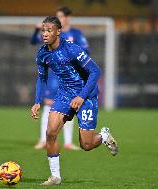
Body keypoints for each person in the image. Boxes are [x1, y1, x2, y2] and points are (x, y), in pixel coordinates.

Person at [30, 16, 118, 186]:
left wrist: (81, 96)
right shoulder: (42, 53)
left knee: (86, 144)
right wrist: (37, 101)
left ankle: (104, 135)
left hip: (86, 95)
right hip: (65, 94)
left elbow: (95, 71)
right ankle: (55, 176)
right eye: (43, 30)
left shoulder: (71, 49)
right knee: (50, 133)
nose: (45, 34)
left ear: (58, 31)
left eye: (49, 30)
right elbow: (41, 78)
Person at [31, 6, 90, 150]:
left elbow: (85, 51)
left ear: (68, 17)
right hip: (54, 76)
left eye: (61, 16)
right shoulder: (50, 32)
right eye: (57, 16)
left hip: (71, 75)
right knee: (49, 104)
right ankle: (43, 140)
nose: (59, 18)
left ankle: (68, 142)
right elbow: (33, 40)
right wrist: (37, 30)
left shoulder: (75, 33)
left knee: (70, 106)